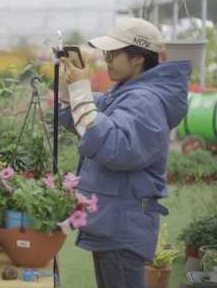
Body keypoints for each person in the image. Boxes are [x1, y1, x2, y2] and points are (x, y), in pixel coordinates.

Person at [58, 18, 190, 288]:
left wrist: (81, 91)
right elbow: (89, 118)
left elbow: (115, 145)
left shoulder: (145, 101)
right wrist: (69, 89)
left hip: (121, 227)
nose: (106, 59)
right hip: (114, 222)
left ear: (138, 59)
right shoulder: (128, 92)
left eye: (113, 53)